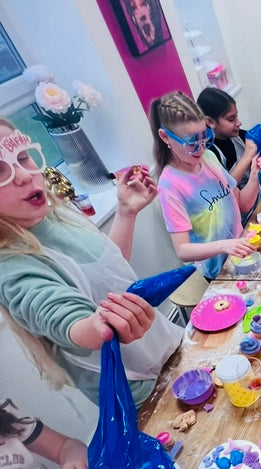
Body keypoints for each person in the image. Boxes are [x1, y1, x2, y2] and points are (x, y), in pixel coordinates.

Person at [0, 120, 182, 407]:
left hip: (162, 344)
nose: (24, 175)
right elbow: (60, 317)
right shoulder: (10, 267)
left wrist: (126, 212)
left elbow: (107, 268)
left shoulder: (55, 212)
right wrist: (97, 326)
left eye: (22, 157)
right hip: (137, 388)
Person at [150, 91, 261, 280]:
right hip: (218, 272)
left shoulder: (209, 158)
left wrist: (254, 177)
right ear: (165, 137)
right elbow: (183, 249)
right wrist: (224, 245)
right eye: (191, 142)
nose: (201, 148)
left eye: (204, 137)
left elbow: (242, 203)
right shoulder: (170, 185)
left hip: (240, 254)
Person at [197, 87, 258, 189]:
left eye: (236, 116)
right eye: (231, 119)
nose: (238, 123)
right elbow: (225, 188)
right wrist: (247, 156)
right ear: (210, 122)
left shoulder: (236, 136)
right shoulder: (208, 152)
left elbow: (260, 138)